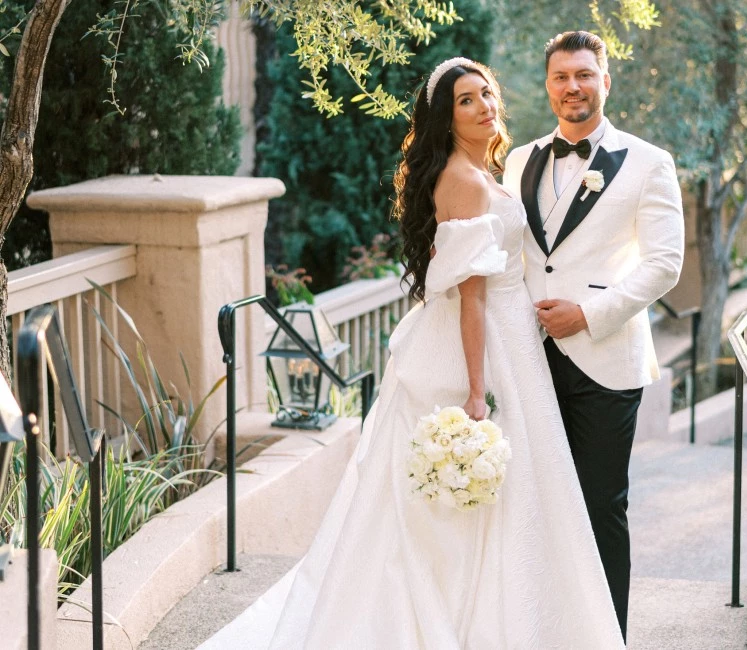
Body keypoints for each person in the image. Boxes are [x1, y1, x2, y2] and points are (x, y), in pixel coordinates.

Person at [198, 57, 624, 648]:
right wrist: (477, 391)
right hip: (485, 347)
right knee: (474, 504)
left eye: (486, 94)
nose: (484, 107)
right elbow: (471, 299)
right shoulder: (466, 180)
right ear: (444, 120)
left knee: (511, 497)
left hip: (509, 338)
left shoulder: (481, 169)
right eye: (466, 102)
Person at [503, 31, 685, 641]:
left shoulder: (649, 162)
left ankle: (607, 636)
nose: (573, 87)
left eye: (584, 74)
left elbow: (664, 264)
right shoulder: (519, 159)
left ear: (605, 81)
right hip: (525, 356)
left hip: (605, 358)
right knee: (531, 505)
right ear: (548, 85)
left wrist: (586, 313)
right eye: (561, 76)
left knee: (600, 507)